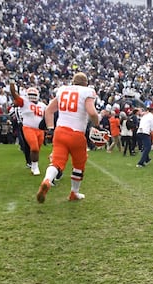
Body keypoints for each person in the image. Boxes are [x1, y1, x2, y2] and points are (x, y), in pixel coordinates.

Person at [36, 72, 99, 203]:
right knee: (78, 165)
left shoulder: (63, 90)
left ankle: (47, 180)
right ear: (86, 83)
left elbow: (48, 110)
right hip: (76, 134)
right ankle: (74, 193)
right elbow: (92, 112)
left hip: (59, 132)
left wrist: (50, 128)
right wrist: (97, 124)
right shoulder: (87, 91)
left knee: (57, 162)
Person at [10, 82, 47, 175]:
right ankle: (34, 167)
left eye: (34, 95)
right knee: (34, 147)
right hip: (28, 127)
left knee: (37, 149)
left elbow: (47, 115)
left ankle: (34, 164)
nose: (32, 97)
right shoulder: (24, 101)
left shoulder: (42, 105)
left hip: (40, 129)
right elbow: (15, 95)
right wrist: (12, 87)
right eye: (30, 95)